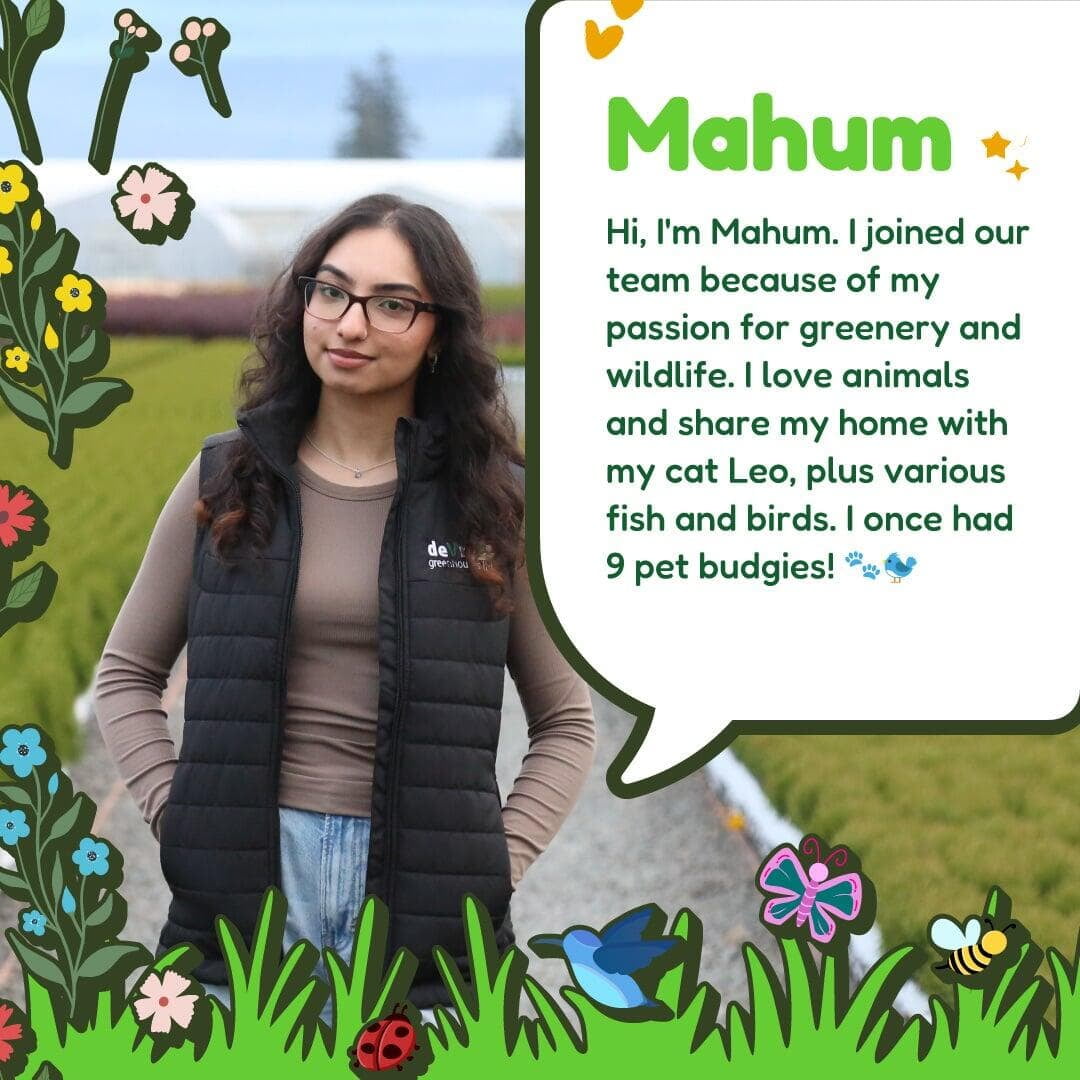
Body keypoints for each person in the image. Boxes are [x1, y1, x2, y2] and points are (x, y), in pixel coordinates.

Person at [94, 193, 596, 1022]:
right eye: (330, 291)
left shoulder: (496, 506)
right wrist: (178, 817)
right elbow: (126, 674)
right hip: (249, 891)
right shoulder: (226, 479)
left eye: (391, 304)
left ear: (441, 332)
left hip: (422, 912)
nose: (350, 324)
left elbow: (568, 722)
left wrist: (490, 866)